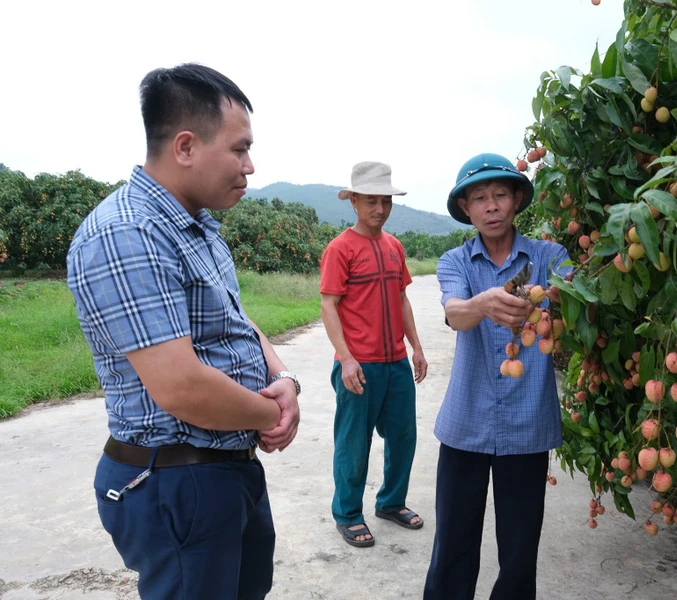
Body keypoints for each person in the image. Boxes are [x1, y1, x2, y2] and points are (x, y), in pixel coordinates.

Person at [66, 63, 301, 600]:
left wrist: (284, 378)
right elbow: (181, 387)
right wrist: (272, 414)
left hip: (225, 470)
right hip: (176, 478)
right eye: (240, 149)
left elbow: (235, 320)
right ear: (187, 147)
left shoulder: (197, 228)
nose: (250, 165)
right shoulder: (128, 231)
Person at [423, 153, 571, 599]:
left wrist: (563, 299)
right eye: (480, 198)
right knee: (453, 543)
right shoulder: (455, 261)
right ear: (465, 208)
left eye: (500, 195)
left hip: (528, 426)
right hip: (466, 423)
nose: (491, 206)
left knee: (520, 552)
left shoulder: (550, 256)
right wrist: (482, 304)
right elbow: (454, 312)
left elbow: (577, 301)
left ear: (516, 200)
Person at [319, 161, 428, 548]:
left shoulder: (394, 246)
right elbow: (328, 305)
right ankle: (348, 513)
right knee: (354, 442)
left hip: (395, 363)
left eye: (385, 201)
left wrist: (416, 347)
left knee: (403, 436)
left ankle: (391, 502)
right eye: (371, 201)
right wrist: (346, 358)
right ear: (354, 202)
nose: (380, 209)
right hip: (359, 366)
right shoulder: (340, 249)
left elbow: (402, 298)